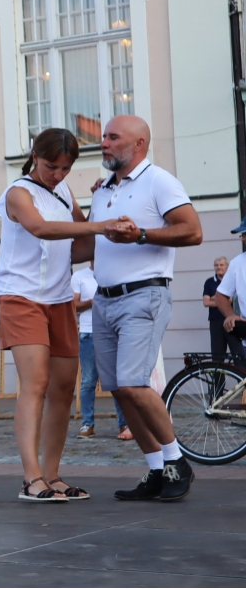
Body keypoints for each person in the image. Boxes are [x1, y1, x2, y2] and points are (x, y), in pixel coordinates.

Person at [0, 128, 129, 502]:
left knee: (64, 387)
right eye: (52, 166)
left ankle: (52, 475)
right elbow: (40, 228)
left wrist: (103, 200)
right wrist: (98, 224)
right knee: (36, 383)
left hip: (57, 298)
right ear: (35, 155)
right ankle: (30, 478)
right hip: (20, 296)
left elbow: (81, 245)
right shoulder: (17, 193)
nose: (58, 175)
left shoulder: (65, 192)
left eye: (66, 169)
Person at [91, 115, 203, 502]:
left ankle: (177, 462)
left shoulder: (160, 181)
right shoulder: (103, 189)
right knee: (120, 390)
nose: (103, 142)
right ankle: (156, 469)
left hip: (144, 294)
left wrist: (140, 233)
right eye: (103, 136)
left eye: (112, 137)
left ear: (138, 144)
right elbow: (89, 242)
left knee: (136, 384)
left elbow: (192, 230)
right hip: (103, 299)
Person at [71, 264, 131, 441]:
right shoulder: (80, 276)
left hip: (111, 331)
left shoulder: (114, 271)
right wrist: (91, 302)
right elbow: (73, 305)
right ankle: (87, 423)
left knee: (115, 380)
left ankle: (124, 422)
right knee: (88, 380)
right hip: (88, 333)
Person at [204, 257, 245, 363]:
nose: (219, 267)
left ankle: (240, 378)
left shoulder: (233, 274)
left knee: (237, 354)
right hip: (218, 321)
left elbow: (233, 299)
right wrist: (229, 311)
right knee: (217, 354)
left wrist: (214, 298)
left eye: (221, 265)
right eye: (216, 265)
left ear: (227, 266)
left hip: (234, 322)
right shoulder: (209, 282)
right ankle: (219, 379)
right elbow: (206, 302)